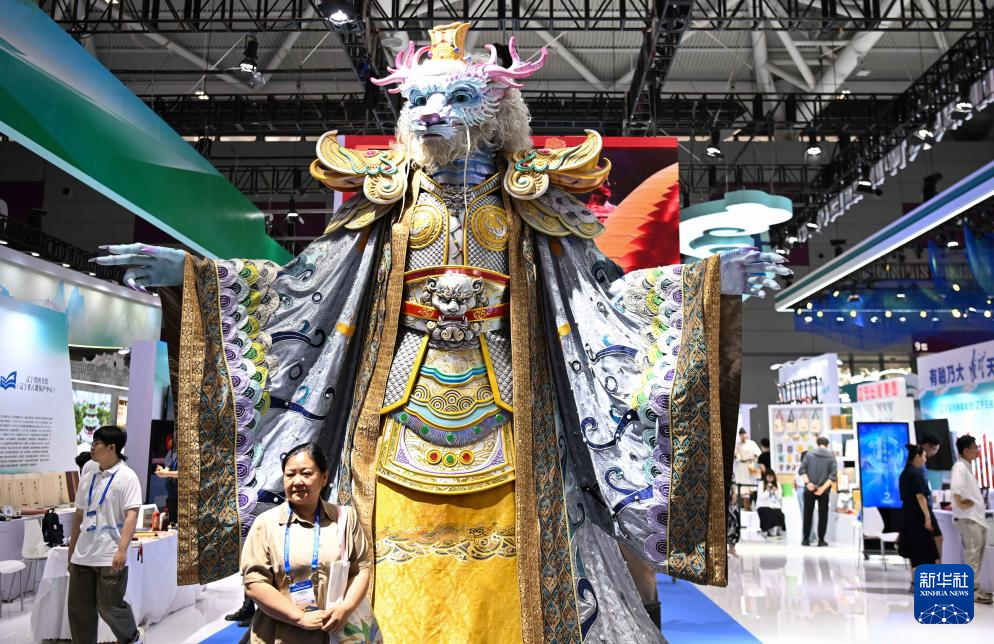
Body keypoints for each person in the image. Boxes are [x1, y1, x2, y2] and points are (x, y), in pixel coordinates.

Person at [94, 21, 789, 641]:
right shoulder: (386, 204)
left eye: (454, 98)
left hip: (512, 413)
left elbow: (602, 297)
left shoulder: (531, 205)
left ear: (494, 110)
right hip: (397, 408)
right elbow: (301, 287)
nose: (431, 111)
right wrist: (194, 275)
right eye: (419, 99)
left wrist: (709, 281)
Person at [241, 442, 371, 643]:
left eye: (306, 473)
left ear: (324, 477)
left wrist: (345, 608)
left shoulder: (345, 519)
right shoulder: (265, 524)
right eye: (290, 475)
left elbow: (360, 569)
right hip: (280, 634)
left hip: (336, 632)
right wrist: (299, 617)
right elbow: (254, 583)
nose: (297, 481)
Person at [66, 426, 144, 644]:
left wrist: (122, 550)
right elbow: (79, 515)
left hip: (110, 553)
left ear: (111, 447)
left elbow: (131, 516)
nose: (92, 448)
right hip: (83, 554)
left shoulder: (127, 477)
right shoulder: (89, 473)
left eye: (96, 444)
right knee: (79, 610)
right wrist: (72, 551)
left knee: (109, 606)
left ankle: (132, 638)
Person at [950, 435, 993, 605]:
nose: (977, 450)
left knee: (976, 555)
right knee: (972, 555)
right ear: (966, 450)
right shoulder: (960, 467)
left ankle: (975, 588)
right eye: (975, 447)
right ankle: (972, 591)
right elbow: (956, 488)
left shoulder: (966, 467)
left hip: (976, 518)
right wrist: (960, 503)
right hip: (969, 518)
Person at [899, 444, 939, 582]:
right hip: (917, 517)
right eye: (923, 456)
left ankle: (915, 581)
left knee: (915, 551)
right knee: (921, 550)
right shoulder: (915, 474)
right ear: (917, 456)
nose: (925, 460)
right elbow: (920, 497)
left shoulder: (904, 473)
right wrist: (927, 517)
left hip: (907, 515)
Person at [798, 436, 837, 546]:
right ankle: (821, 540)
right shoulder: (831, 456)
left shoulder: (809, 455)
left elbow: (802, 470)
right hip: (824, 491)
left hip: (809, 489)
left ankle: (806, 539)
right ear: (827, 445)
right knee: (823, 516)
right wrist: (822, 488)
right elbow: (833, 476)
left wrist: (808, 483)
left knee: (807, 515)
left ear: (817, 444)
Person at [917, 433, 943, 561]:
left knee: (932, 539)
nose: (935, 453)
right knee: (937, 538)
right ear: (926, 446)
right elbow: (919, 493)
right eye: (934, 449)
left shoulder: (922, 463)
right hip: (923, 507)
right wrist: (927, 515)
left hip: (925, 506)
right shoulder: (918, 463)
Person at [756, 470, 786, 538]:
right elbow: (761, 497)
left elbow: (779, 497)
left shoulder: (777, 484)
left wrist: (775, 491)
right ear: (766, 477)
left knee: (779, 513)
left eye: (772, 477)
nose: (770, 479)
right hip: (763, 505)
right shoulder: (761, 484)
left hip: (774, 505)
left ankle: (777, 530)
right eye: (769, 477)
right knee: (769, 513)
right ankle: (768, 530)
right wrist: (767, 490)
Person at [734, 429, 762, 501]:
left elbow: (759, 454)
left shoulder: (752, 443)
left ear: (746, 434)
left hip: (751, 464)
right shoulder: (738, 444)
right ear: (739, 436)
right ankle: (743, 502)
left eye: (744, 434)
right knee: (742, 486)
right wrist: (737, 456)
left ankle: (754, 500)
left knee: (753, 484)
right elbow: (736, 455)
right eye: (741, 435)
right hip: (742, 465)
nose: (743, 436)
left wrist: (756, 460)